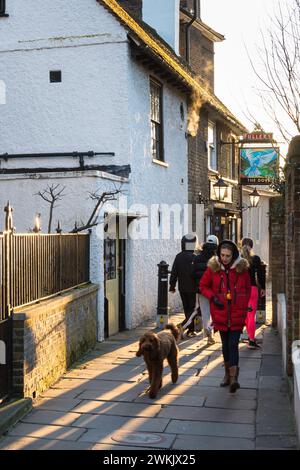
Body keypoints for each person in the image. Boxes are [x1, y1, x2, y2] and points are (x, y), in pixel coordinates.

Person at [200, 240, 251, 393]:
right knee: (225, 345)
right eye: (222, 255)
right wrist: (213, 297)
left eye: (228, 255)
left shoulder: (242, 269)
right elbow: (203, 286)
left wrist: (242, 303)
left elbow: (248, 289)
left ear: (233, 255)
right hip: (220, 314)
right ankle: (227, 376)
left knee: (233, 344)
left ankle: (234, 378)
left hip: (236, 314)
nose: (225, 258)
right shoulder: (213, 268)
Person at [169, 233, 198, 338]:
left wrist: (172, 286)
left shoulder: (178, 257)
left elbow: (174, 272)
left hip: (182, 288)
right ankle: (183, 327)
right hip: (193, 288)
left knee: (187, 308)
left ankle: (191, 330)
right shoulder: (195, 257)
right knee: (193, 309)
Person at [193, 234, 219, 345]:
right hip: (214, 291)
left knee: (205, 313)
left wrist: (198, 286)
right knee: (215, 312)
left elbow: (192, 274)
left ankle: (208, 334)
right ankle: (210, 332)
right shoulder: (217, 259)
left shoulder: (197, 257)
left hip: (202, 290)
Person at [241, 237, 266, 349]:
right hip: (252, 290)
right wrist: (263, 288)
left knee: (246, 315)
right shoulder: (255, 258)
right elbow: (261, 275)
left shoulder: (238, 258)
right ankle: (251, 340)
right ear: (252, 246)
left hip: (241, 291)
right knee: (251, 315)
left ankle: (250, 337)